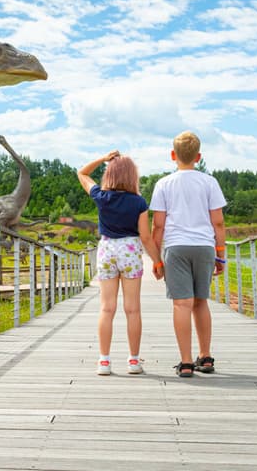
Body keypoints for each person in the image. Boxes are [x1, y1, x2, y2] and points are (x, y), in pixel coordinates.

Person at [77, 150, 163, 376]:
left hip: (106, 251)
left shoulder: (101, 197)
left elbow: (82, 173)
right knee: (132, 309)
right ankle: (133, 361)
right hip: (130, 251)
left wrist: (102, 158)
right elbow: (145, 237)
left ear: (110, 175)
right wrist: (157, 261)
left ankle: (104, 362)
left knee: (107, 308)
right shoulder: (138, 202)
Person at [150, 131, 227, 378]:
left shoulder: (163, 184)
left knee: (182, 304)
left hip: (176, 247)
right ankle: (205, 357)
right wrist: (220, 253)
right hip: (204, 246)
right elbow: (219, 223)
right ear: (199, 156)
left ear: (173, 155)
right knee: (201, 301)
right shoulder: (210, 182)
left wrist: (156, 259)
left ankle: (185, 362)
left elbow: (158, 226)